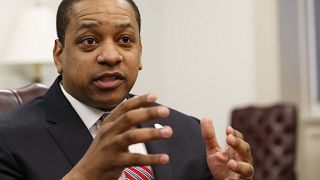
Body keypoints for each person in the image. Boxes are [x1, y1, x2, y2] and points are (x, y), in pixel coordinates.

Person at [0, 0, 254, 179]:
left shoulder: (187, 133)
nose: (111, 56)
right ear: (59, 55)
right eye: (89, 41)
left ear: (140, 53)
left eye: (125, 40)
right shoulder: (8, 140)